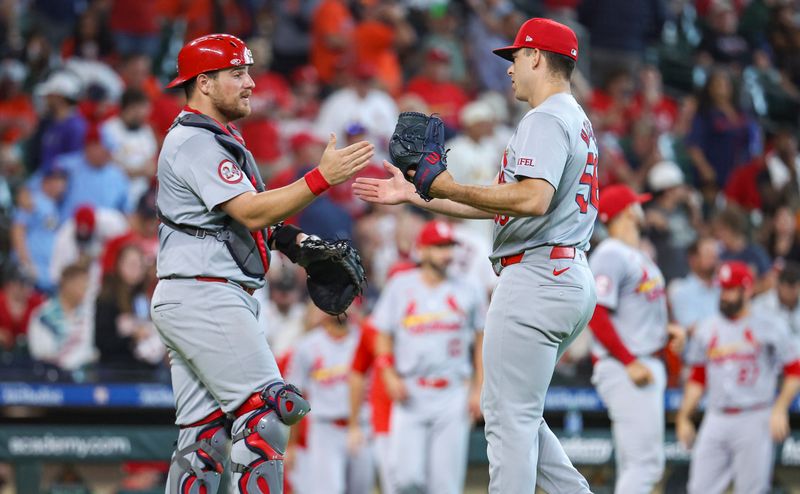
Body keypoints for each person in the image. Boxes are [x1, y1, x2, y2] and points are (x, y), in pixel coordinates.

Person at [354, 18, 599, 493]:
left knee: (508, 423)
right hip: (562, 272)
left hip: (537, 275)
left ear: (536, 57)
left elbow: (532, 200)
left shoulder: (545, 118)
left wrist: (442, 183)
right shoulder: (575, 118)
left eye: (514, 58)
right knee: (518, 413)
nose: (509, 70)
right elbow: (497, 199)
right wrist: (419, 195)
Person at [150, 34, 373, 492]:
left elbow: (244, 221)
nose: (250, 82)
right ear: (204, 83)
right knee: (269, 415)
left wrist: (294, 241)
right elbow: (250, 211)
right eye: (237, 73)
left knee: (204, 440)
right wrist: (321, 177)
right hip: (205, 293)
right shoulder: (195, 140)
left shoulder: (216, 137)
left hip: (197, 293)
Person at [369, 220, 484, 494]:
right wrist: (388, 373)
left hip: (452, 391)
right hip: (411, 390)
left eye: (449, 247)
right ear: (421, 250)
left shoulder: (468, 286)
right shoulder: (400, 285)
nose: (446, 253)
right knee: (406, 480)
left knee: (445, 486)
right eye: (439, 247)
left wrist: (478, 389)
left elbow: (482, 339)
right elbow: (381, 333)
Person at [587, 184, 685, 494]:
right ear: (628, 211)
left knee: (637, 464)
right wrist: (629, 361)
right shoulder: (610, 253)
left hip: (639, 362)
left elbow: (634, 308)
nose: (641, 208)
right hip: (627, 367)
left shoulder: (633, 253)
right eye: (636, 204)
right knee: (645, 465)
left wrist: (665, 330)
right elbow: (595, 313)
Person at [676, 261, 800, 494]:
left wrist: (780, 408)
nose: (725, 295)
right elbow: (698, 377)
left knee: (751, 490)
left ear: (747, 290)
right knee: (699, 488)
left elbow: (794, 370)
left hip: (754, 415)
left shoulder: (770, 325)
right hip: (716, 416)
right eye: (722, 288)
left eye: (731, 289)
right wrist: (684, 416)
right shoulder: (707, 328)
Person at [285, 307, 374, 494]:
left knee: (361, 489)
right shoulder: (307, 345)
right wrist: (291, 445)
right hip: (325, 429)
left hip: (362, 425)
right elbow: (293, 397)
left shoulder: (364, 339)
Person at [95, 244, 164, 374]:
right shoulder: (106, 298)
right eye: (131, 264)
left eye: (140, 265)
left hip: (145, 369)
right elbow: (101, 341)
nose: (136, 270)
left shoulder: (143, 297)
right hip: (114, 370)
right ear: (119, 265)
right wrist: (132, 337)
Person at [27, 262, 94, 372]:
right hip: (51, 377)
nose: (85, 290)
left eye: (86, 285)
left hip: (83, 377)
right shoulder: (43, 315)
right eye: (81, 285)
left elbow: (89, 350)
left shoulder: (88, 314)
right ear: (67, 284)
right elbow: (40, 352)